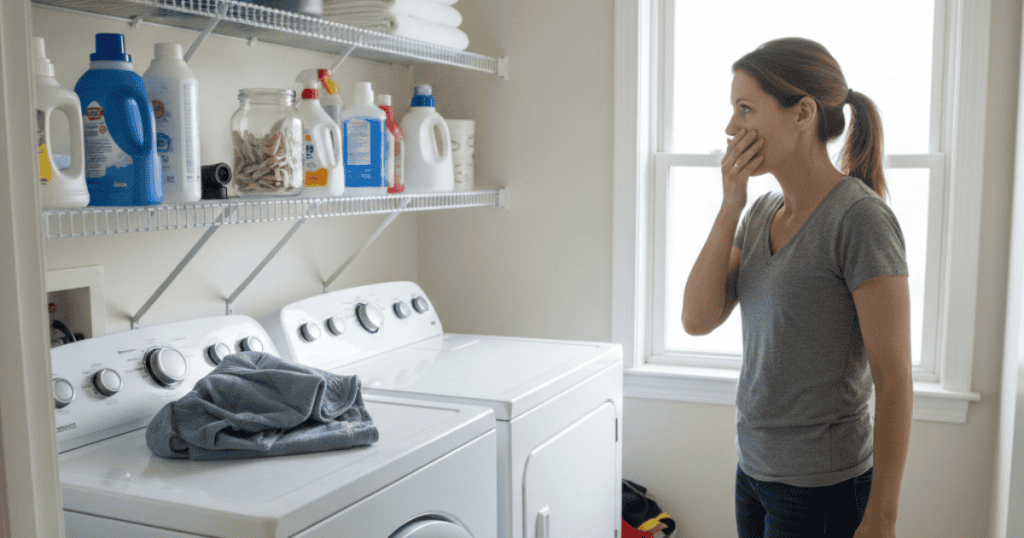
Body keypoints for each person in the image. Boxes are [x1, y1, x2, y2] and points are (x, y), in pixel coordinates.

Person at [681, 37, 913, 538]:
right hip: (754, 473)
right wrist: (729, 207)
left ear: (803, 112)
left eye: (746, 108)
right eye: (732, 109)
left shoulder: (860, 220)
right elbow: (697, 320)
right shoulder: (761, 211)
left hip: (822, 488)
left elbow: (893, 380)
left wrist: (882, 517)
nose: (730, 127)